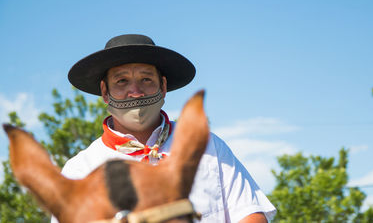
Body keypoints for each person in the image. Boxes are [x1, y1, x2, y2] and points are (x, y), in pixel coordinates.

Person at [52, 34, 276, 223]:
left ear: (164, 86)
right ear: (104, 92)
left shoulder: (208, 146)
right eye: (121, 81)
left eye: (146, 79)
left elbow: (250, 215)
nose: (136, 92)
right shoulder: (78, 171)